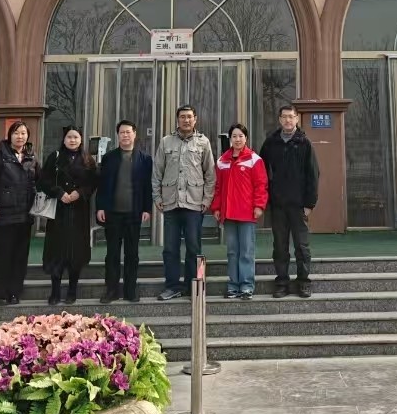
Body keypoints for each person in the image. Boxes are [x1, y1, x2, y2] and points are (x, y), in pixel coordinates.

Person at [152, 105, 216, 301]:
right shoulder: (166, 141)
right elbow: (157, 172)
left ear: (195, 119)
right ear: (177, 120)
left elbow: (210, 174)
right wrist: (157, 197)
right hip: (171, 203)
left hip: (194, 204)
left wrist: (207, 199)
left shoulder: (203, 142)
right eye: (182, 117)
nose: (186, 120)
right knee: (170, 249)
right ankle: (172, 286)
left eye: (189, 117)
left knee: (194, 248)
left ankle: (195, 286)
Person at [260, 104, 319, 298]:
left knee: (302, 246)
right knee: (280, 246)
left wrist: (310, 204)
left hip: (299, 204)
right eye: (284, 116)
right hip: (278, 204)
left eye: (291, 117)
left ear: (296, 119)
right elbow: (261, 172)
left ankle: (303, 282)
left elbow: (313, 175)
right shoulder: (271, 143)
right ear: (279, 119)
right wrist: (266, 198)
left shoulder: (304, 143)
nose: (287, 120)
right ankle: (282, 283)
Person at [39, 125, 99, 305]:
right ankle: (55, 292)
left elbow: (93, 183)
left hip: (79, 212)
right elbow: (44, 180)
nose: (72, 140)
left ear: (81, 139)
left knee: (76, 253)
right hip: (59, 211)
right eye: (69, 137)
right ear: (64, 139)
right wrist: (59, 193)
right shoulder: (55, 157)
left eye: (76, 137)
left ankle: (72, 290)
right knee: (56, 251)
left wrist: (79, 193)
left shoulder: (88, 160)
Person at [95, 120, 154, 304]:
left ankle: (130, 291)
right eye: (122, 132)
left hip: (134, 213)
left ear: (134, 134)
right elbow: (102, 185)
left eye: (128, 132)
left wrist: (147, 208)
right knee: (112, 254)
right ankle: (111, 290)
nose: (125, 135)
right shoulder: (109, 158)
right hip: (112, 213)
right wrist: (100, 207)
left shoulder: (145, 159)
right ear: (118, 135)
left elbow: (147, 187)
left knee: (132, 254)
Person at [0, 120, 39, 306]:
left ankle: (15, 292)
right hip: (4, 214)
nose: (20, 136)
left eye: (23, 133)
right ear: (10, 136)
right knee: (3, 255)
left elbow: (39, 181)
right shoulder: (0, 156)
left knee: (20, 256)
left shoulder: (31, 157)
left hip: (25, 214)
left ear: (27, 136)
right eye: (16, 133)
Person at [212, 123, 268, 300]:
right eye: (234, 136)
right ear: (230, 139)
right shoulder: (222, 161)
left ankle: (246, 286)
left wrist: (259, 205)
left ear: (246, 138)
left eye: (241, 136)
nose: (237, 139)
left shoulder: (254, 159)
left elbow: (261, 185)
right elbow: (218, 187)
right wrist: (216, 207)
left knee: (246, 251)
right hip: (228, 213)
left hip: (247, 213)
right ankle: (233, 286)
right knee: (232, 251)